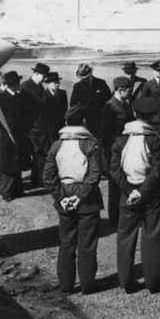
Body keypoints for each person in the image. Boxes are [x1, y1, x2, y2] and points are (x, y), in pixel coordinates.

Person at [110, 97, 160, 294]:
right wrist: (142, 192)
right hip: (151, 193)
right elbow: (157, 170)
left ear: (135, 114)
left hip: (128, 193)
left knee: (125, 237)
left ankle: (125, 280)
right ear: (151, 117)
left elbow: (115, 170)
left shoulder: (121, 139)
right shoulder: (155, 140)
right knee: (152, 237)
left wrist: (129, 191)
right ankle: (153, 281)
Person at [44, 125, 106, 294]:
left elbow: (48, 176)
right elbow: (94, 175)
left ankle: (65, 285)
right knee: (87, 244)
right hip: (87, 199)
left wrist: (60, 197)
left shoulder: (56, 146)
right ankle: (87, 284)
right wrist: (80, 196)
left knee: (66, 242)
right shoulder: (90, 145)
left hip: (64, 193)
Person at [99, 77, 135, 226]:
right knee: (115, 184)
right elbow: (105, 134)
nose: (130, 93)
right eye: (129, 90)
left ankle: (124, 213)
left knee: (124, 181)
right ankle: (115, 219)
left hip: (125, 149)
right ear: (120, 90)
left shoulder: (125, 104)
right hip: (114, 151)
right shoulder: (110, 107)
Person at [0, 71, 25, 202]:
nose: (19, 85)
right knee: (7, 165)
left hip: (18, 135)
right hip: (6, 136)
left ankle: (17, 189)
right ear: (13, 85)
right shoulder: (0, 98)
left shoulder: (19, 97)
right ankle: (6, 191)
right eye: (17, 83)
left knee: (16, 163)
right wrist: (5, 127)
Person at [30, 72, 68, 189]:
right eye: (54, 83)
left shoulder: (62, 93)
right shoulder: (42, 95)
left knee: (56, 153)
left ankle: (53, 177)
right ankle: (39, 179)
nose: (57, 84)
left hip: (58, 128)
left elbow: (64, 110)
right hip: (45, 129)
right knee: (43, 154)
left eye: (58, 82)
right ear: (48, 84)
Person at [21, 63, 50, 184]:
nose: (45, 79)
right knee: (37, 152)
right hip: (32, 127)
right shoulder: (26, 87)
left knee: (40, 153)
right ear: (36, 74)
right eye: (43, 76)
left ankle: (37, 178)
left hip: (40, 126)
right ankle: (38, 178)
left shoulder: (39, 87)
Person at [69, 63, 112, 137]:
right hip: (86, 119)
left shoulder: (101, 83)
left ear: (91, 73)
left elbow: (109, 100)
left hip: (101, 118)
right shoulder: (77, 86)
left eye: (86, 76)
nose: (85, 79)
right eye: (83, 77)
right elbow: (73, 104)